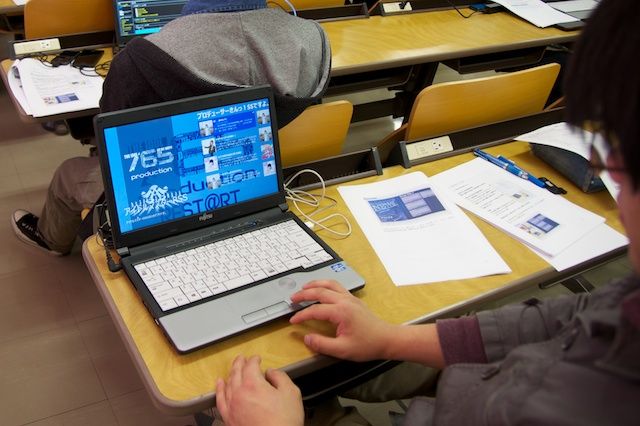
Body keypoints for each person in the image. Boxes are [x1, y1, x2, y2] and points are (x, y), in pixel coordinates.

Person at [214, 1, 640, 424]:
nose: (613, 191)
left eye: (615, 164)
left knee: (252, 393)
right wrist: (389, 338)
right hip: (473, 382)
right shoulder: (625, 303)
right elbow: (560, 320)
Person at [11, 0, 331, 255]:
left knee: (69, 172)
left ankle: (51, 240)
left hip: (173, 199)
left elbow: (112, 137)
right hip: (262, 177)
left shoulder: (139, 58)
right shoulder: (314, 38)